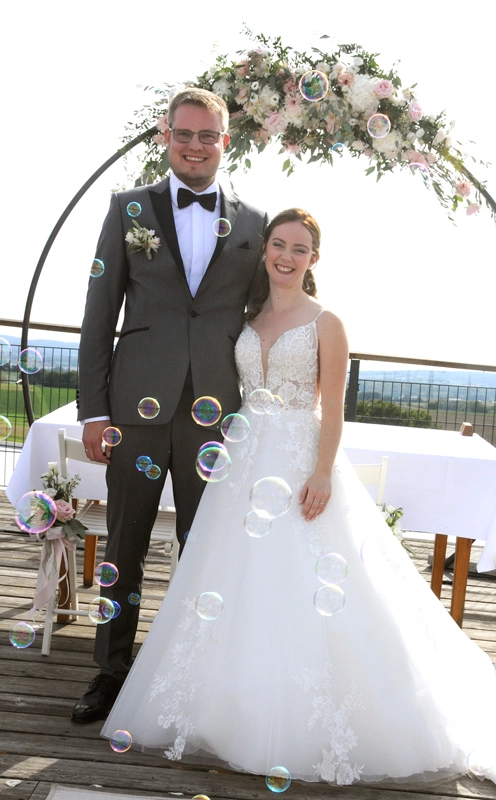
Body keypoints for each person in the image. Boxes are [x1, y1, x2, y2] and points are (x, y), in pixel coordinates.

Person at [102, 209, 496, 793]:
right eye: (278, 244)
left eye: (299, 249)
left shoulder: (327, 323)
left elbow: (332, 407)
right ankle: (229, 709)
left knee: (312, 585)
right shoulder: (246, 317)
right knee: (238, 584)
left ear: (313, 259)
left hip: (301, 462)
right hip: (243, 464)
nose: (286, 256)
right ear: (265, 250)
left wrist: (322, 472)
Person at [72, 87, 268, 723]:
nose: (194, 145)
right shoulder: (127, 208)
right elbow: (98, 314)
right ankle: (111, 673)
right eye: (183, 134)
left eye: (207, 135)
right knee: (123, 544)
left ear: (225, 142)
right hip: (134, 409)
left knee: (205, 547)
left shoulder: (254, 222)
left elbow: (267, 315)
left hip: (217, 412)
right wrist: (94, 411)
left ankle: (194, 678)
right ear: (165, 137)